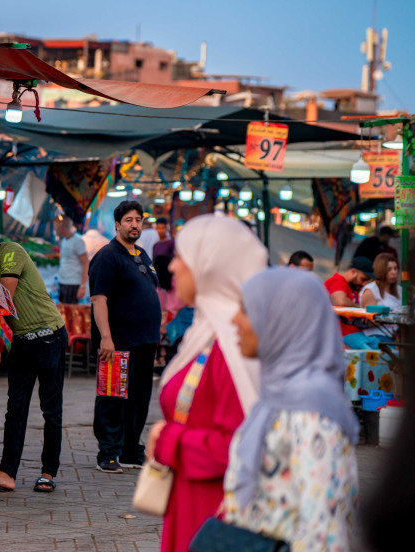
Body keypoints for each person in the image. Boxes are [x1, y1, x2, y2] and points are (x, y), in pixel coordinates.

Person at [144, 215, 266, 552]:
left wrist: (170, 440)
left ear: (210, 266)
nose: (173, 268)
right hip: (190, 501)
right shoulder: (206, 332)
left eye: (184, 257)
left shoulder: (235, 343)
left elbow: (240, 446)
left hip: (215, 511)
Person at [221, 268, 359, 550]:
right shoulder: (279, 393)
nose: (234, 320)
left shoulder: (311, 410)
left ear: (282, 320)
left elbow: (324, 533)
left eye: (246, 310)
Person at [0, 211, 66, 493]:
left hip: (49, 337)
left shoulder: (11, 252)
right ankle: (7, 474)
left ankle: (48, 473)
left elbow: (4, 298)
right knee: (15, 411)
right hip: (21, 340)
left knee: (50, 410)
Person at [89, 200, 161, 473]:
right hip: (117, 343)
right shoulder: (108, 256)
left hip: (145, 340)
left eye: (138, 220)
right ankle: (107, 453)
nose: (135, 225)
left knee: (139, 398)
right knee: (112, 397)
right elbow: (99, 300)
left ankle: (131, 450)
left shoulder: (141, 253)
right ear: (117, 225)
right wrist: (106, 337)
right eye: (129, 220)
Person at [324, 256, 375, 348]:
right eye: (363, 279)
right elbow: (341, 301)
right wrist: (362, 311)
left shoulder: (353, 288)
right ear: (353, 272)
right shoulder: (337, 281)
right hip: (343, 336)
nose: (364, 284)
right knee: (374, 356)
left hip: (358, 335)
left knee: (383, 349)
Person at [359, 252, 401, 342]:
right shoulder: (370, 291)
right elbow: (373, 321)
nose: (394, 272)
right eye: (389, 269)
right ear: (380, 271)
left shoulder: (401, 290)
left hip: (399, 336)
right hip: (377, 336)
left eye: (395, 268)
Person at [55, 216, 89, 303]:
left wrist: (83, 286)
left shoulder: (77, 241)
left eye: (55, 226)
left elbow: (86, 263)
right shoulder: (64, 240)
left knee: (70, 313)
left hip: (73, 284)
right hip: (63, 281)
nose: (54, 229)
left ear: (62, 227)